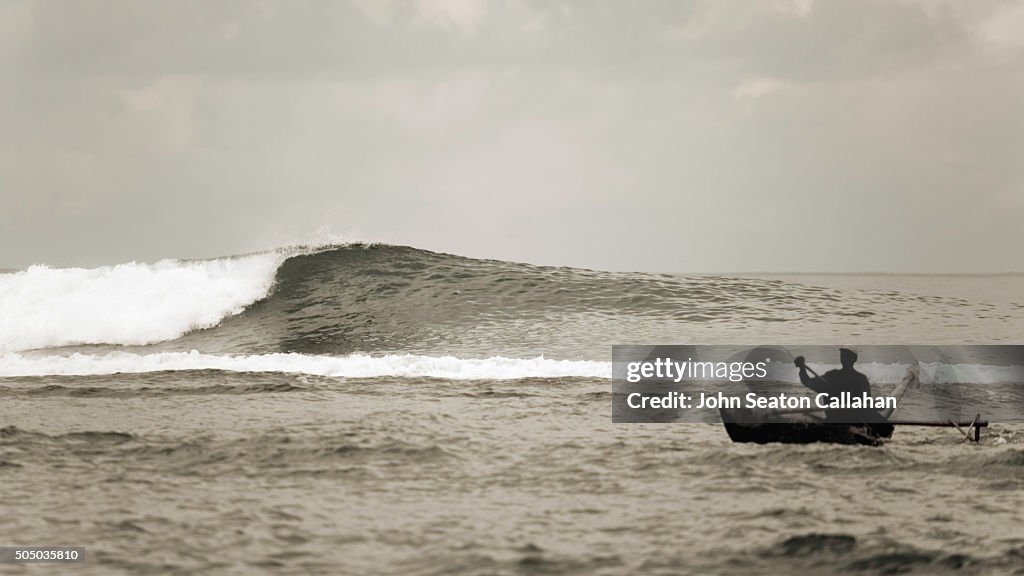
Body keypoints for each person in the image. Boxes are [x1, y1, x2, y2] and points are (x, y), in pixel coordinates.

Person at [793, 348, 892, 434]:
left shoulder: (857, 379)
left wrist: (802, 368)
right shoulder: (833, 376)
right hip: (841, 419)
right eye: (843, 355)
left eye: (847, 355)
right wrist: (802, 368)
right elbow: (808, 382)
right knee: (884, 426)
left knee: (887, 427)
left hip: (848, 419)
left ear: (854, 359)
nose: (844, 357)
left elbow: (867, 403)